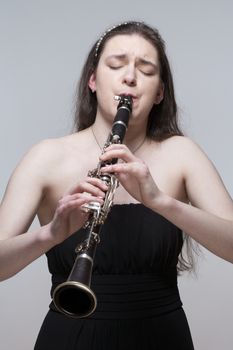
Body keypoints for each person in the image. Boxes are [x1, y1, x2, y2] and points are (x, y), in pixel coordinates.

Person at [0, 21, 232, 350]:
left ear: (160, 92)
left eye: (146, 69)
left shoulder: (182, 154)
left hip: (164, 338)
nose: (130, 77)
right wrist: (49, 234)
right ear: (93, 80)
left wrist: (161, 202)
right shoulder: (46, 157)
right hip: (70, 337)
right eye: (116, 64)